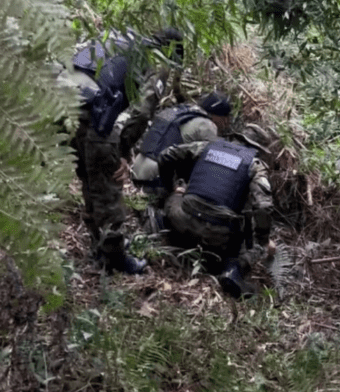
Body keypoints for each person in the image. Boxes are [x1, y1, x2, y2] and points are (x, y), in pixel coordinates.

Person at [66, 27, 184, 274]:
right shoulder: (155, 59)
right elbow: (142, 111)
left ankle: (100, 246)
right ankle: (114, 257)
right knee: (108, 187)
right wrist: (121, 151)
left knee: (91, 180)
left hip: (65, 108)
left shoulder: (116, 37)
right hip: (96, 117)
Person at [157, 135, 275, 298]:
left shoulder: (207, 146)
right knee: (259, 244)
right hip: (218, 237)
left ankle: (159, 227)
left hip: (181, 219)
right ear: (257, 149)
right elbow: (263, 206)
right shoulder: (254, 165)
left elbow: (166, 155)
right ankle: (233, 269)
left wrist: (170, 188)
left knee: (175, 196)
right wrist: (263, 239)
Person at [130, 91, 232, 193]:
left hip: (136, 171)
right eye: (225, 118)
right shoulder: (207, 125)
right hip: (157, 179)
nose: (226, 123)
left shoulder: (177, 111)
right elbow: (217, 158)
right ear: (219, 116)